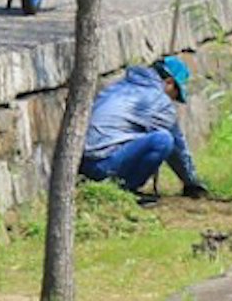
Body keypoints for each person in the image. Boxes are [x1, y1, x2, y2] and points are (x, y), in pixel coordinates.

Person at [81, 55, 207, 198]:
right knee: (163, 140)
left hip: (85, 164)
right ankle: (126, 191)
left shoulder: (119, 86)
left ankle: (115, 187)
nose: (173, 100)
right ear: (169, 82)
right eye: (175, 94)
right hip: (104, 164)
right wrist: (191, 182)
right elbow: (178, 149)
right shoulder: (159, 101)